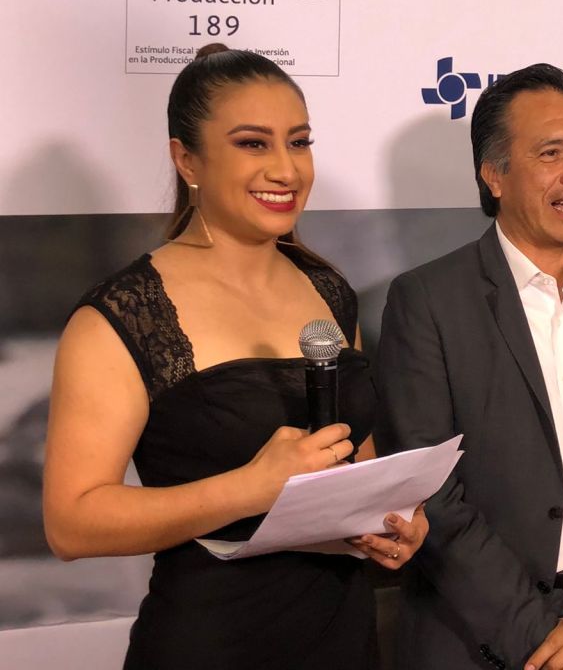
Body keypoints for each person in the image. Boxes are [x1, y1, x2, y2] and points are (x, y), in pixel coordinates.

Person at [42, 44, 428, 670]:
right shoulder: (125, 314)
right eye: (253, 144)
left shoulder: (329, 290)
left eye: (299, 143)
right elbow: (72, 523)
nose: (286, 169)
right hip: (210, 642)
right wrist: (250, 488)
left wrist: (393, 519)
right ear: (186, 159)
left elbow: (355, 460)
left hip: (343, 637)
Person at [375, 64, 563, 670]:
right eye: (550, 152)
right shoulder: (428, 300)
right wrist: (543, 641)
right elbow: (432, 493)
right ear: (493, 174)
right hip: (477, 643)